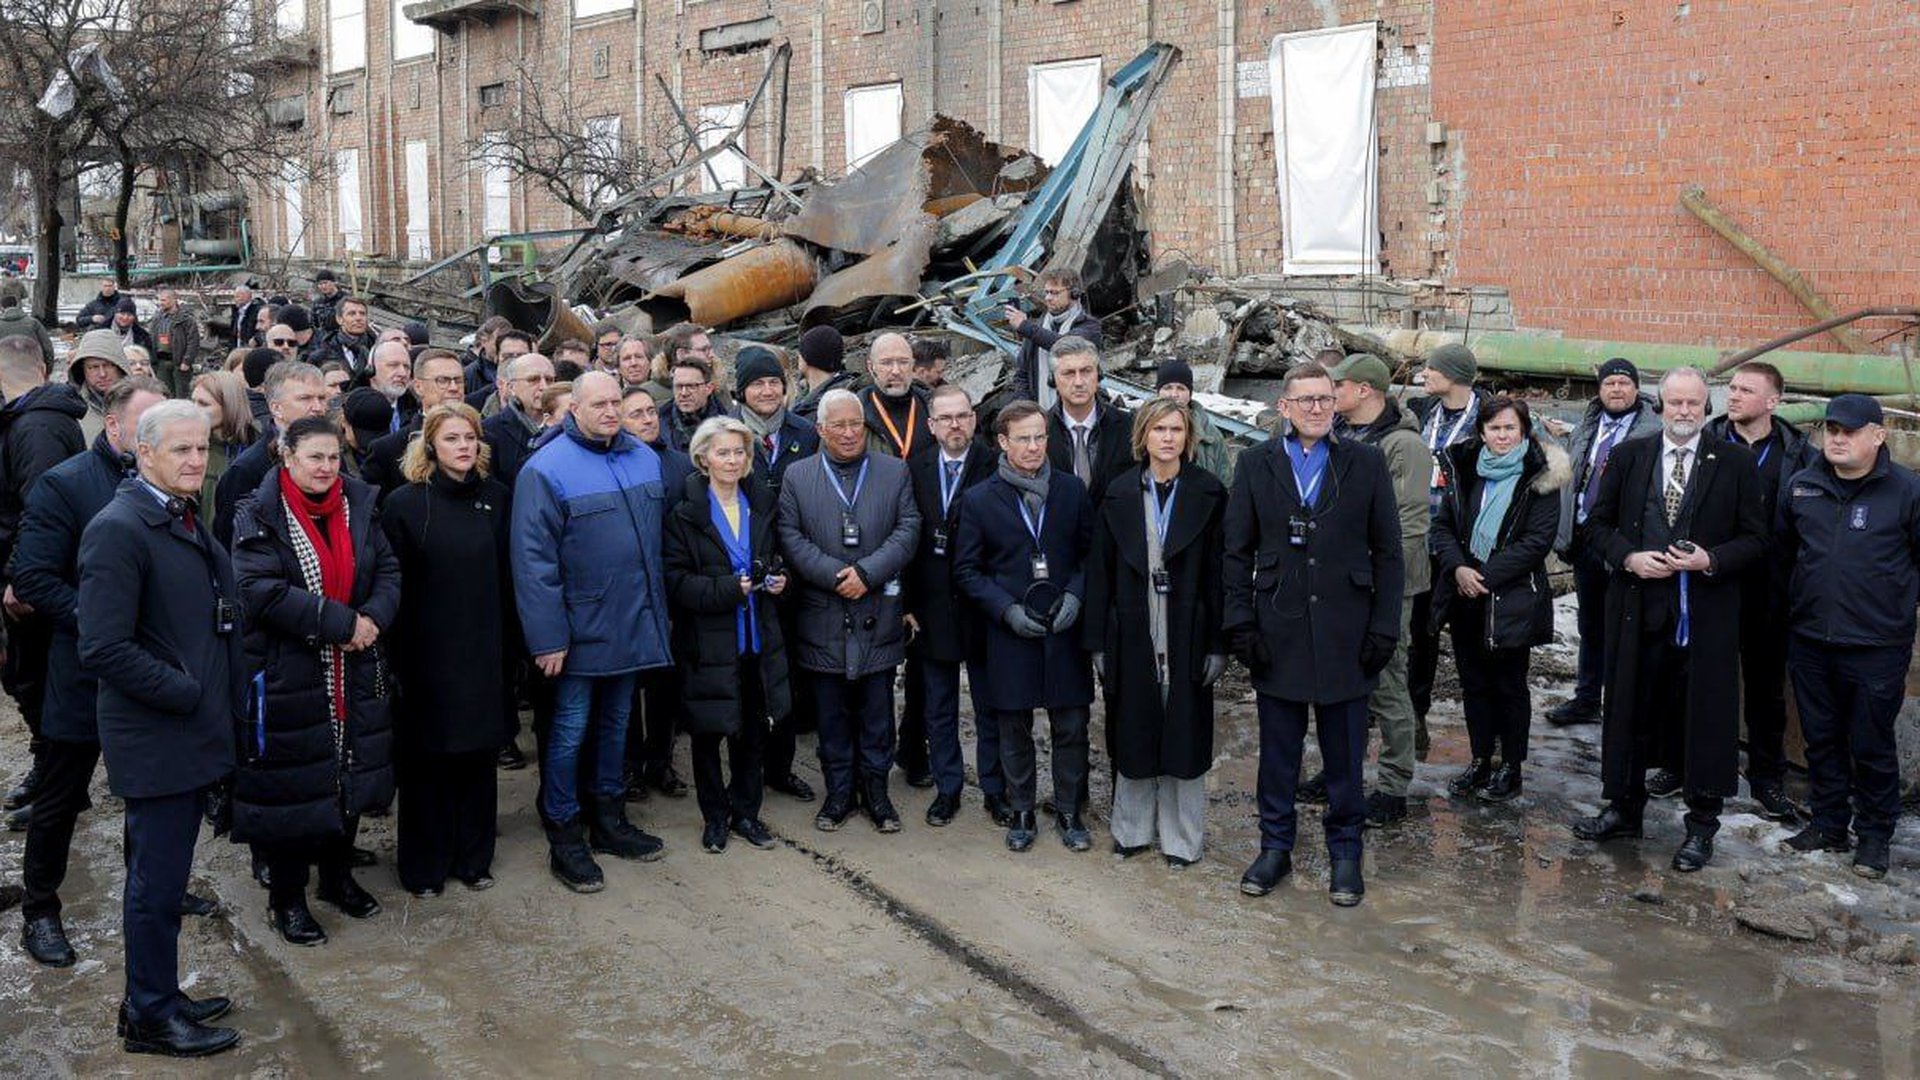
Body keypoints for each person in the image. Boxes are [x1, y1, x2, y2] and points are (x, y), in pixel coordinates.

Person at [77, 399, 243, 1057]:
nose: (196, 462)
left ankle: (156, 996)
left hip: (187, 728)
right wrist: (186, 691)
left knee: (167, 880)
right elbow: (104, 646)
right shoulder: (119, 528)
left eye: (201, 449)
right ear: (144, 453)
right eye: (180, 450)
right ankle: (149, 1015)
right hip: (158, 734)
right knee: (156, 884)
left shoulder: (174, 513)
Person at [1571, 367, 1765, 873]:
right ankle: (1624, 807)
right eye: (1675, 403)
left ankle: (1701, 826)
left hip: (1704, 619)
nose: (1684, 412)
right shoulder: (1631, 457)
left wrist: (1712, 560)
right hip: (1639, 612)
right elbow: (1596, 525)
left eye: (1694, 404)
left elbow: (1758, 539)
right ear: (1661, 407)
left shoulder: (1736, 463)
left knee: (1702, 720)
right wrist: (1629, 558)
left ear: (1707, 408)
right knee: (1629, 709)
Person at [1225, 363, 1402, 906]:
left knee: (1345, 754)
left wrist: (1383, 627)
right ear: (1284, 407)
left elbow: (1390, 553)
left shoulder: (1365, 463)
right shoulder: (1256, 465)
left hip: (1347, 633)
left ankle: (1345, 853)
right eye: (1305, 401)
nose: (1317, 409)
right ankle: (1275, 846)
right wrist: (1241, 623)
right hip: (1278, 632)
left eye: (1326, 399)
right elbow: (1236, 553)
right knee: (1278, 753)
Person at [14, 378, 167, 968]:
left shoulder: (165, 485)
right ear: (114, 427)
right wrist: (102, 621)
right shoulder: (67, 483)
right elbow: (32, 577)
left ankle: (154, 893)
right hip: (83, 669)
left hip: (149, 671)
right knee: (61, 794)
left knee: (148, 793)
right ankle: (40, 911)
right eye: (149, 427)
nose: (164, 440)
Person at [230, 416, 400, 944]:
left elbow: (389, 569)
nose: (327, 468)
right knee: (293, 787)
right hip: (291, 671)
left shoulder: (360, 505)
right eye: (314, 458)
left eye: (333, 457)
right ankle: (288, 898)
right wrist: (340, 623)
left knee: (349, 771)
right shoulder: (258, 514)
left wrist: (370, 618)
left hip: (357, 662)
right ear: (287, 457)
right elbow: (260, 589)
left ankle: (337, 877)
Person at [512, 372, 674, 891]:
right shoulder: (545, 470)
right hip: (579, 633)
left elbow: (656, 549)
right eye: (598, 403)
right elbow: (533, 563)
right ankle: (565, 834)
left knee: (617, 726)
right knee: (567, 733)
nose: (609, 411)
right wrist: (547, 638)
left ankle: (609, 820)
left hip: (632, 624)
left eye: (615, 402)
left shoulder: (644, 459)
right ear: (572, 410)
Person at [1776, 395, 1920, 879]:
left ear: (1877, 436)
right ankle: (1829, 823)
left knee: (1871, 742)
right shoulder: (1803, 488)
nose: (1837, 439)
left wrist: (1897, 613)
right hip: (1813, 639)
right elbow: (1786, 555)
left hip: (1877, 644)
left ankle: (1875, 837)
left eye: (1849, 431)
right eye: (1831, 429)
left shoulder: (1906, 492)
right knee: (1820, 738)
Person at [1083, 398, 1227, 866]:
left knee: (1184, 734)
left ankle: (1183, 840)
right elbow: (1099, 573)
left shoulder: (1208, 492)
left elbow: (1220, 573)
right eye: (1159, 429)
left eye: (1177, 429)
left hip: (1188, 626)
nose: (1168, 438)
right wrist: (1099, 642)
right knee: (1134, 727)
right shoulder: (1119, 492)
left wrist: (1218, 643)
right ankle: (1131, 830)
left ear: (1189, 438)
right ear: (1142, 436)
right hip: (1132, 625)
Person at [380, 404, 514, 895]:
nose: (463, 446)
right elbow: (394, 585)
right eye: (452, 438)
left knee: (478, 761)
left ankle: (474, 859)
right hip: (426, 655)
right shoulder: (405, 504)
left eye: (470, 437)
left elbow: (507, 576)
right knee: (427, 765)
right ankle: (424, 868)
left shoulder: (498, 498)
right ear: (430, 446)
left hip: (483, 649)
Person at [952, 400, 1094, 852]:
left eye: (1039, 437)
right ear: (1003, 442)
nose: (1034, 447)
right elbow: (968, 570)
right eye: (1024, 439)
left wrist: (1076, 594)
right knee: (1013, 726)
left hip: (1064, 630)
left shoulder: (1072, 490)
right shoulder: (978, 499)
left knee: (1071, 725)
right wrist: (1005, 610)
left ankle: (1070, 812)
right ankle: (1022, 811)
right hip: (1011, 631)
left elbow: (1091, 556)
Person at [777, 388, 920, 833]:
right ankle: (839, 792)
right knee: (832, 715)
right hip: (823, 615)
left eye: (854, 424)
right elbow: (790, 534)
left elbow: (908, 527)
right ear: (820, 430)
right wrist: (838, 575)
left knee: (878, 713)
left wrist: (868, 573)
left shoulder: (894, 471)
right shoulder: (798, 476)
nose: (847, 433)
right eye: (837, 425)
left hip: (878, 611)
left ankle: (876, 792)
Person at [1311, 352, 1432, 826]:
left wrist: (1372, 576)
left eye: (1336, 386)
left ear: (1363, 390)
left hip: (1387, 586)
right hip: (1340, 580)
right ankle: (1339, 771)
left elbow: (1410, 524)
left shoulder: (1404, 446)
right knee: (1338, 680)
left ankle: (1393, 784)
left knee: (1386, 677)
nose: (1328, 395)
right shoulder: (1342, 435)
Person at [1429, 397, 1569, 802]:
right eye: (1495, 429)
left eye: (1510, 428)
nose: (1503, 436)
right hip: (1464, 592)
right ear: (1482, 432)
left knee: (1509, 685)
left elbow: (1537, 541)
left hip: (1511, 597)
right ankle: (1479, 760)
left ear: (1523, 431)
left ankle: (1511, 767)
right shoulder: (1465, 468)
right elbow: (1443, 526)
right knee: (1473, 683)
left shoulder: (1540, 474)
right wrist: (1458, 568)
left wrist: (1483, 575)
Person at [664, 416, 793, 853]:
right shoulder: (685, 512)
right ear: (703, 458)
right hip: (709, 644)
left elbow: (776, 557)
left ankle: (747, 814)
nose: (733, 460)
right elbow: (675, 580)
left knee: (753, 734)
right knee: (707, 735)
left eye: (740, 452)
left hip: (756, 639)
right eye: (723, 452)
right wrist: (724, 589)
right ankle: (714, 818)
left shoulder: (762, 502)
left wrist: (778, 580)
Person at [1700, 360, 1817, 822]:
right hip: (1711, 581)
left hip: (1770, 590)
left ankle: (1767, 777)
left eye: (1746, 390)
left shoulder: (1799, 454)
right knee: (1700, 680)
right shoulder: (1707, 442)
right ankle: (1688, 764)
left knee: (1767, 688)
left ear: (1773, 401)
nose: (1733, 395)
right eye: (1731, 387)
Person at [903, 383, 1001, 826]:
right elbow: (905, 540)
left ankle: (996, 790)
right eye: (945, 418)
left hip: (981, 607)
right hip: (931, 607)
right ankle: (947, 788)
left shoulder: (994, 465)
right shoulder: (915, 467)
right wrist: (904, 602)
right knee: (939, 707)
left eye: (961, 416)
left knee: (989, 706)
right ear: (932, 426)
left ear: (974, 419)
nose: (955, 425)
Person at [0, 335, 87, 830]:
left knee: (40, 684)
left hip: (37, 580)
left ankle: (59, 789)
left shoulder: (37, 428)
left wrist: (19, 575)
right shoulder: (29, 420)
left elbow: (41, 510)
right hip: (34, 572)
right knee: (30, 680)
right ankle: (53, 777)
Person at [1547, 356, 1661, 727]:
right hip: (1585, 539)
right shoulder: (1587, 425)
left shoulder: (1650, 430)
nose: (1616, 389)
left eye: (1624, 383)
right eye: (1610, 383)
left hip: (1624, 545)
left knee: (1624, 627)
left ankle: (1621, 702)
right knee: (1591, 623)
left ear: (1636, 389)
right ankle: (1586, 697)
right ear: (1599, 389)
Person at [1404, 343, 1489, 757]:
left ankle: (1485, 748)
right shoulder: (1421, 413)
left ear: (1453, 374)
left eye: (1432, 367)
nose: (1424, 373)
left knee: (1470, 642)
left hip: (1465, 545)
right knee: (1420, 633)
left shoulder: (1488, 418)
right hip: (1421, 538)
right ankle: (1415, 715)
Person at [213, 360, 330, 547]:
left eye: (322, 398)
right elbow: (230, 543)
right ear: (276, 408)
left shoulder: (332, 456)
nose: (318, 407)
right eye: (305, 398)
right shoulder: (248, 469)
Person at [361, 348, 466, 500]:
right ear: (418, 386)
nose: (454, 388)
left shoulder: (485, 440)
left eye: (458, 380)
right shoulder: (387, 450)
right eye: (442, 381)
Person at [1044, 336, 1132, 502]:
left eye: (1086, 371)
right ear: (1052, 379)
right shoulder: (1040, 431)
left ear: (1098, 374)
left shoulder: (1130, 427)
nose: (1078, 382)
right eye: (1069, 373)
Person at [1006, 268, 1102, 410]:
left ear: (1074, 294)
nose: (1048, 298)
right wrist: (1027, 409)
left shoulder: (1089, 326)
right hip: (1041, 415)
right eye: (1047, 292)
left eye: (1055, 293)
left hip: (1077, 413)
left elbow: (1066, 346)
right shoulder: (1039, 326)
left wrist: (1024, 326)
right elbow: (1022, 374)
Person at [733, 344, 817, 499]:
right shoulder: (723, 434)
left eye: (774, 382)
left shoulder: (806, 432)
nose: (768, 391)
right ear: (742, 391)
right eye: (757, 383)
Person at [191, 371, 259, 528]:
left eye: (203, 404)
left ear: (229, 405)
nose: (194, 410)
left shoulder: (257, 446)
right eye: (193, 401)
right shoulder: (191, 448)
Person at [1152, 358, 1232, 483]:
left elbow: (1226, 482)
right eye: (1168, 387)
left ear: (1190, 393)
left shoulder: (1211, 434)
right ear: (1158, 392)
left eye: (1181, 388)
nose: (1174, 394)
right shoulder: (1140, 427)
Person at [482, 351, 555, 488]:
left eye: (549, 380)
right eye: (533, 379)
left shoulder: (567, 427)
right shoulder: (489, 431)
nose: (544, 387)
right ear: (511, 387)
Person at [859, 333, 931, 461]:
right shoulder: (855, 411)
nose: (896, 371)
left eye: (903, 362)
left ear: (912, 365)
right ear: (871, 367)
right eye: (886, 363)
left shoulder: (932, 406)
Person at [69, 328, 131, 443]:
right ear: (83, 370)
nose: (102, 374)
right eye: (93, 367)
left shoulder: (142, 404)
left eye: (108, 365)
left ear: (120, 366)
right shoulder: (71, 408)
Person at [792, 325, 856, 420]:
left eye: (800, 353)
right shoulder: (802, 394)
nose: (798, 357)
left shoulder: (828, 406)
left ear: (807, 358)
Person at [666, 355, 727, 451]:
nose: (684, 393)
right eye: (678, 386)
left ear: (709, 388)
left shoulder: (728, 424)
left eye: (691, 386)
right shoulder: (658, 424)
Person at [150, 289, 202, 399]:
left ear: (173, 300)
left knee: (182, 396)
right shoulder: (157, 319)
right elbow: (152, 339)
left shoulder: (186, 320)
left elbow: (193, 341)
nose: (160, 303)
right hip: (161, 363)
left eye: (163, 300)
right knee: (165, 395)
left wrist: (187, 361)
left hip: (179, 363)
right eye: (159, 300)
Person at [310, 296, 376, 382]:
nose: (358, 318)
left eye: (362, 313)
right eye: (352, 314)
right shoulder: (322, 355)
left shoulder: (377, 350)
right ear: (339, 319)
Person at [0, 277, 56, 367]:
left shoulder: (2, 285)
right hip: (31, 369)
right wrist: (47, 368)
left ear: (1, 307)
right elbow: (47, 348)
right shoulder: (33, 323)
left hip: (5, 371)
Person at [366, 340, 418, 434]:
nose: (402, 373)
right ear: (371, 370)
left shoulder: (416, 411)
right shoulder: (355, 411)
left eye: (406, 367)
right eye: (393, 365)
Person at [461, 315, 513, 399]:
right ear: (484, 341)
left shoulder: (518, 370)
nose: (503, 348)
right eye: (498, 343)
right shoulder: (468, 375)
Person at [309, 269, 343, 335]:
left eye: (325, 283)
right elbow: (313, 323)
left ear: (333, 282)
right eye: (320, 284)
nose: (323, 286)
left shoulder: (345, 300)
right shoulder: (317, 303)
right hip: (323, 339)